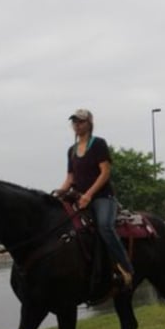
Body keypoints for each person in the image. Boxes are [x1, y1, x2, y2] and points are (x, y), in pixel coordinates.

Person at [55, 108, 134, 293]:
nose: (77, 125)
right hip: (79, 198)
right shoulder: (71, 151)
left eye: (81, 121)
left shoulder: (98, 144)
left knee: (105, 226)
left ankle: (127, 268)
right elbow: (70, 178)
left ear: (89, 123)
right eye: (74, 122)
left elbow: (105, 172)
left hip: (102, 197)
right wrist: (58, 194)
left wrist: (89, 195)